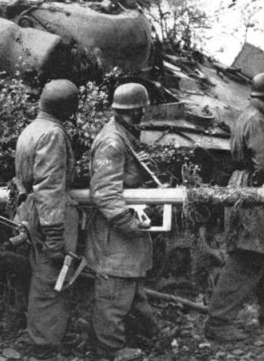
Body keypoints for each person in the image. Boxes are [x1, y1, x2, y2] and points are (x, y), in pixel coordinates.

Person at [205, 72, 264, 342]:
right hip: (255, 189)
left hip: (250, 186)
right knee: (248, 256)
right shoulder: (257, 120)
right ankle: (218, 323)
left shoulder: (252, 116)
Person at [86, 83, 160, 361]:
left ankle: (146, 332)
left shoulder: (124, 134)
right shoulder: (113, 142)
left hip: (125, 223)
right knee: (114, 290)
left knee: (131, 283)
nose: (143, 113)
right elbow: (104, 193)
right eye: (141, 109)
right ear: (135, 110)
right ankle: (110, 348)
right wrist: (129, 225)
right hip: (115, 228)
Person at [14, 79, 80, 360]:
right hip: (47, 216)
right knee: (53, 277)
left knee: (43, 274)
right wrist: (55, 234)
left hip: (31, 211)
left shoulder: (32, 128)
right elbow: (50, 186)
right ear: (69, 108)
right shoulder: (52, 133)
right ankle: (44, 344)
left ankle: (46, 334)